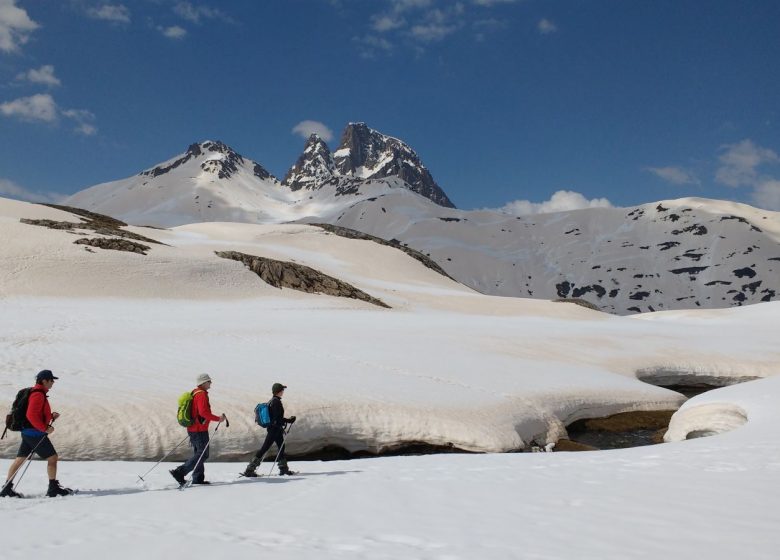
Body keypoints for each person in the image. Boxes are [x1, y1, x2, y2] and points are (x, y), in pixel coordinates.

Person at [1, 370, 72, 498]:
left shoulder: (36, 392)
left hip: (28, 432)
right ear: (44, 381)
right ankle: (53, 489)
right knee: (53, 458)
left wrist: (50, 416)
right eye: (51, 380)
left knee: (20, 460)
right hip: (35, 434)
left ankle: (6, 488)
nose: (53, 382)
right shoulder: (38, 395)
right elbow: (31, 415)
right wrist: (45, 428)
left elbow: (36, 414)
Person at [169, 373, 226, 486]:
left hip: (193, 429)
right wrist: (218, 419)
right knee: (203, 454)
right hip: (199, 430)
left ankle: (198, 478)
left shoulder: (194, 392)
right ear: (203, 383)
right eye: (209, 381)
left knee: (198, 452)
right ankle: (180, 472)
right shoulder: (201, 395)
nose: (211, 383)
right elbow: (203, 413)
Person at [242, 382, 297, 477]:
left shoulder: (272, 401)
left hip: (275, 429)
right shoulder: (276, 402)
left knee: (281, 447)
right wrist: (289, 420)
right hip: (274, 430)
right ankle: (249, 470)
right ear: (278, 391)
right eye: (282, 390)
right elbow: (276, 418)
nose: (283, 391)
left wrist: (286, 421)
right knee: (264, 449)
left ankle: (283, 469)